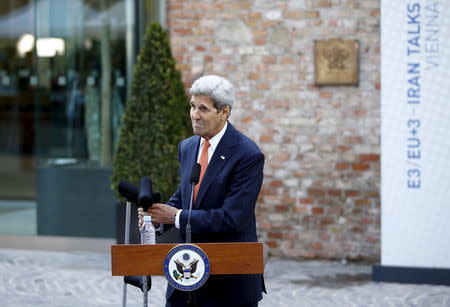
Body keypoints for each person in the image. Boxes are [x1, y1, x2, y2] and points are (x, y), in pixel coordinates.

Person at [139, 75, 265, 306]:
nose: (195, 115)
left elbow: (232, 218)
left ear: (224, 112)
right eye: (193, 107)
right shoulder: (187, 146)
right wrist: (156, 218)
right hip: (186, 277)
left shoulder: (247, 155)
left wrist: (175, 216)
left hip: (228, 281)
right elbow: (185, 196)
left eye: (203, 109)